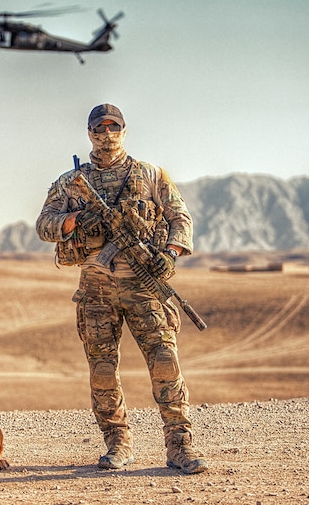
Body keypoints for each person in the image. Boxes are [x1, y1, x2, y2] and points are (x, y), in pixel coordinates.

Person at [35, 103, 208, 474]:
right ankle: (118, 443)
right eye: (100, 128)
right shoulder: (71, 182)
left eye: (114, 127)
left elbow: (180, 217)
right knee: (102, 369)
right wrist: (76, 219)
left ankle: (180, 446)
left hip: (145, 286)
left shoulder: (149, 175)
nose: (106, 134)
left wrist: (171, 253)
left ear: (124, 131)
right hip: (97, 288)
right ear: (89, 132)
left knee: (165, 363)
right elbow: (44, 225)